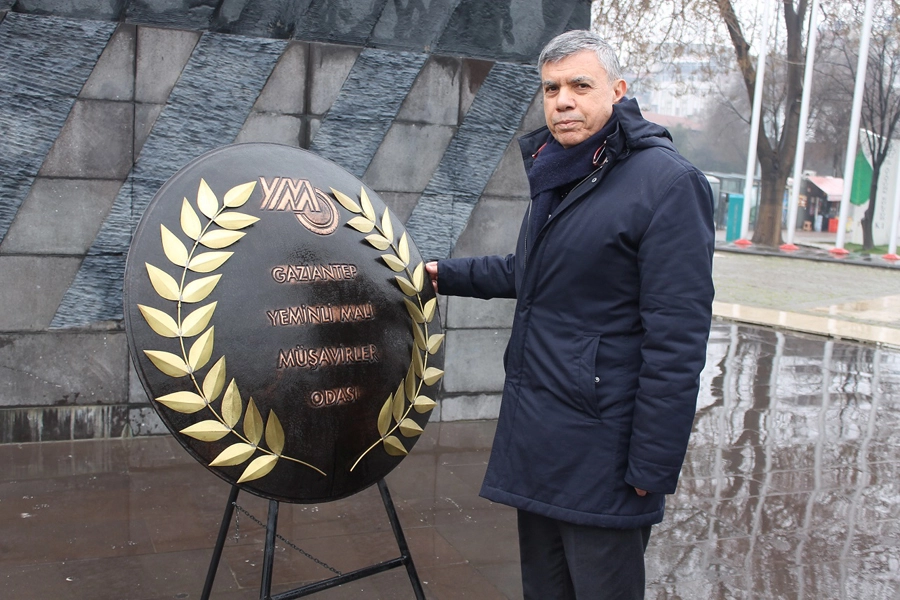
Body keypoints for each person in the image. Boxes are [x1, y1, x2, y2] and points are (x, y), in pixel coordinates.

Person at [424, 30, 715, 599]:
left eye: (581, 85)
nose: (562, 100)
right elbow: (534, 272)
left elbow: (677, 342)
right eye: (551, 88)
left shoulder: (668, 185)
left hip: (605, 452)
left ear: (618, 90)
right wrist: (441, 274)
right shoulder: (563, 171)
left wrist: (650, 469)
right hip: (540, 438)